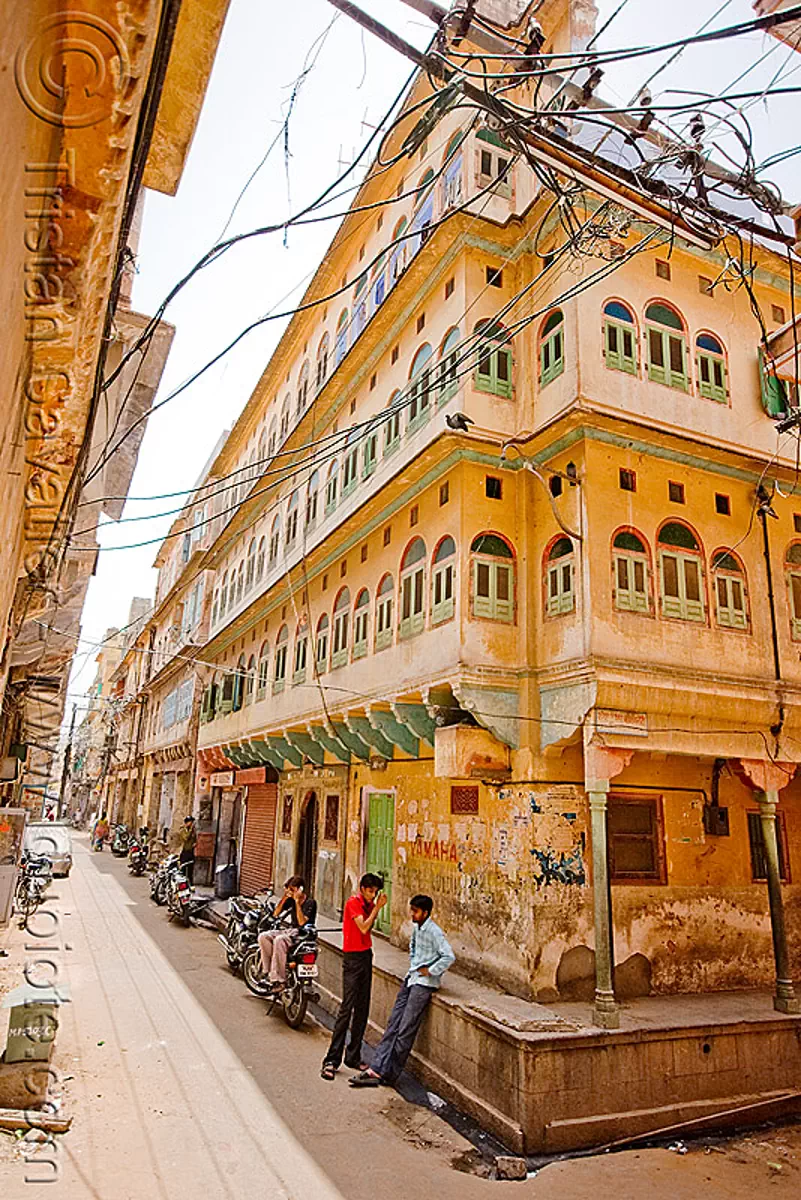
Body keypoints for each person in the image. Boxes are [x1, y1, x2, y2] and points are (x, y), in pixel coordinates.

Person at [349, 894, 454, 1089]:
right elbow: (413, 947)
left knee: (406, 1029)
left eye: (415, 911)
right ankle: (376, 1069)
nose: (412, 914)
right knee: (393, 1024)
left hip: (424, 984)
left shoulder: (435, 932)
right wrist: (415, 964)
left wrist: (430, 971)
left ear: (425, 912)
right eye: (412, 910)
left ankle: (390, 1074)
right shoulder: (418, 928)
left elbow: (448, 956)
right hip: (411, 978)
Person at [321, 873, 386, 1080]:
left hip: (366, 955)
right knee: (346, 1008)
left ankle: (353, 1055)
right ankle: (331, 1060)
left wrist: (373, 907)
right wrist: (377, 908)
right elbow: (364, 926)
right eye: (370, 891)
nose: (373, 896)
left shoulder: (368, 905)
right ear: (363, 888)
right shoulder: (354, 903)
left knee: (362, 1008)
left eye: (375, 892)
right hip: (352, 958)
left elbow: (367, 930)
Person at [257, 876, 317, 991]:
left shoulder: (310, 903)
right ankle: (268, 972)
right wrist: (285, 897)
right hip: (290, 930)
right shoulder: (290, 900)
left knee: (280, 940)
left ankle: (279, 980)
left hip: (302, 934)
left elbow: (302, 923)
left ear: (300, 889)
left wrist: (297, 902)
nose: (291, 892)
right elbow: (276, 913)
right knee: (263, 937)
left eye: (293, 890)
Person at [177, 815, 197, 885]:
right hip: (185, 852)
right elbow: (186, 838)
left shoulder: (193, 831)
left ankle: (190, 884)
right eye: (190, 822)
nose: (191, 824)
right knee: (183, 869)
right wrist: (191, 830)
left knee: (190, 869)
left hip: (191, 852)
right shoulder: (183, 830)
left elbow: (194, 839)